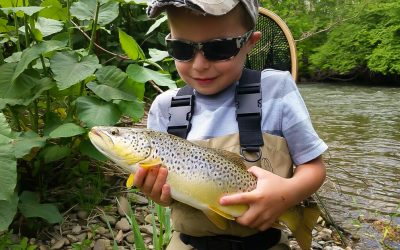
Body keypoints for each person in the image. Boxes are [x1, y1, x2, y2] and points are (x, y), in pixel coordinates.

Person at [133, 0, 328, 249]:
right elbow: (168, 195)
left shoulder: (277, 90)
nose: (200, 64)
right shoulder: (164, 108)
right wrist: (157, 193)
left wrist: (288, 194)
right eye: (182, 49)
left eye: (218, 49)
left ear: (250, 43)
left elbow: (314, 166)